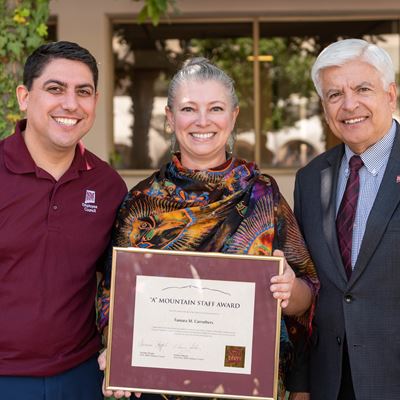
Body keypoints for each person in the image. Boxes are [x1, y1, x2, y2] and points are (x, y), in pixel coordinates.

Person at [97, 57, 319, 400]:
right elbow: (113, 299)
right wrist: (117, 354)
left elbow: (306, 295)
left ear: (233, 116)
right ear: (170, 118)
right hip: (158, 387)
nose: (202, 121)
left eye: (216, 108)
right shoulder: (141, 202)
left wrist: (290, 291)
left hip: (248, 386)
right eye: (188, 109)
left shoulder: (262, 194)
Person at [0, 41, 127, 400]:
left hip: (80, 377)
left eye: (83, 92)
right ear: (25, 97)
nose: (70, 104)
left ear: (95, 103)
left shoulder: (108, 186)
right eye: (55, 89)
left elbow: (122, 282)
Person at [294, 38, 399, 399]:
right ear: (324, 107)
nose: (349, 104)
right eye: (334, 94)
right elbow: (308, 283)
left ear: (391, 94)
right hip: (331, 382)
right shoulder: (310, 180)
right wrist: (300, 384)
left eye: (362, 88)